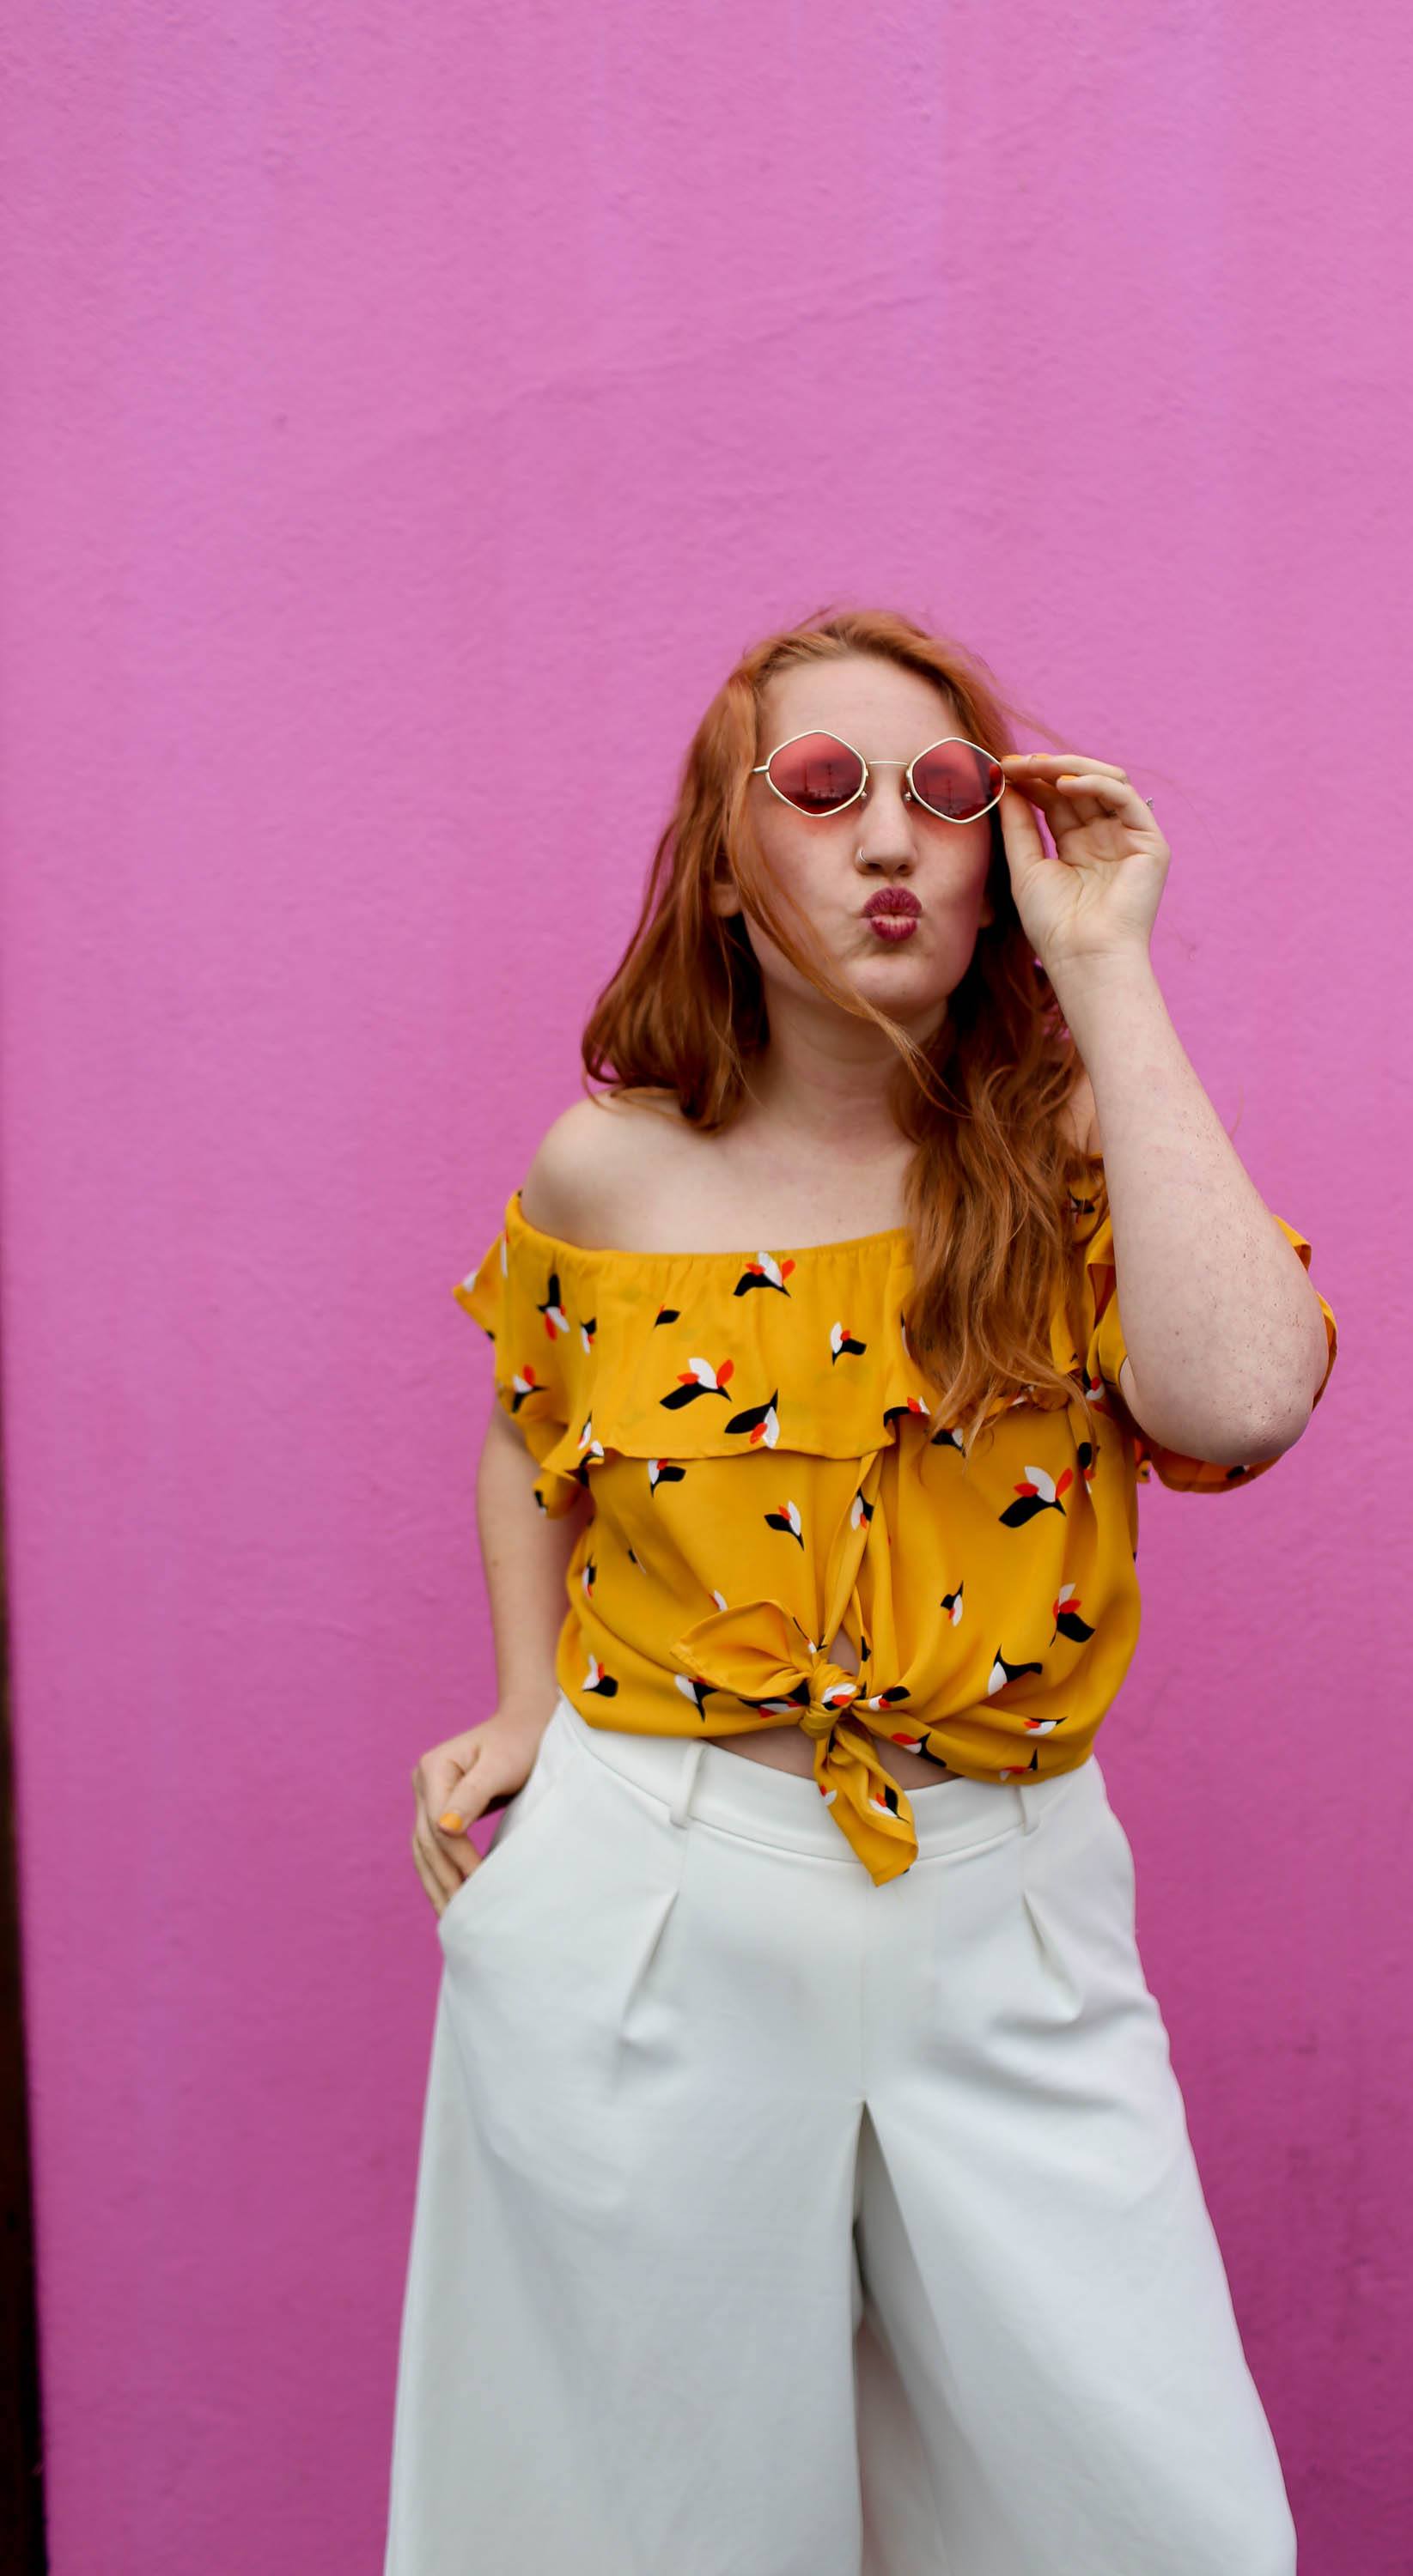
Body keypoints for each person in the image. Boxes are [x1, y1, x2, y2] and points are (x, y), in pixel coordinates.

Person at [385, 605, 1337, 2576]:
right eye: (822, 790)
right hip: (657, 1883)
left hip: (1006, 1895)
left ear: (1002, 854)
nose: (890, 837)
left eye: (947, 791)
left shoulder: (1080, 1151)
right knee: (640, 2531)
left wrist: (1110, 976)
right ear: (731, 867)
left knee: (1160, 2528)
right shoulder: (605, 1176)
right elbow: (527, 1433)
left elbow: (1240, 1402)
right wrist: (519, 1710)